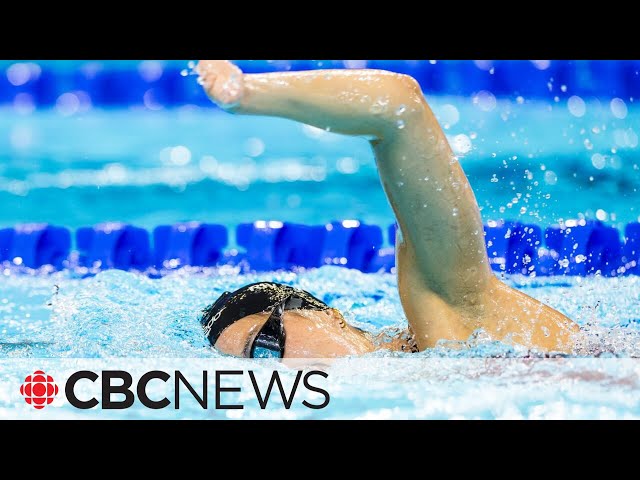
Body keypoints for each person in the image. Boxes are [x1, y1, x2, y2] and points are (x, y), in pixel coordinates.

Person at [196, 60, 579, 358]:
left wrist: (244, 92)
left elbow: (398, 108)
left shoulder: (450, 319)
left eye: (263, 350)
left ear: (324, 315)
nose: (278, 379)